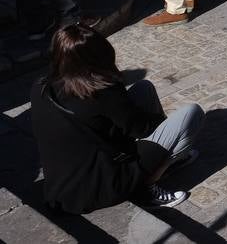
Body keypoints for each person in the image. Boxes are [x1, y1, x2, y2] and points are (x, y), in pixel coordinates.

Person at [30, 23, 204, 213]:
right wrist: (163, 130)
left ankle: (160, 159)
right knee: (191, 114)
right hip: (102, 185)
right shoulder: (101, 93)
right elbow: (141, 128)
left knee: (143, 89)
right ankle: (146, 186)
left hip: (65, 184)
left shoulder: (41, 87)